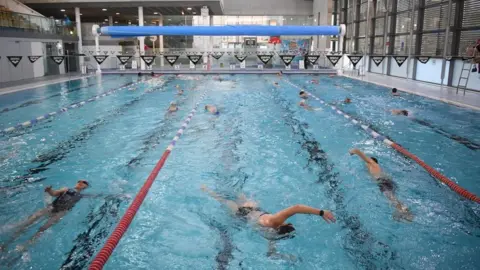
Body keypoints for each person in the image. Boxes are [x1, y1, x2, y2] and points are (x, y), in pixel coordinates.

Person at [201, 185, 335, 259]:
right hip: (245, 216)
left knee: (226, 197)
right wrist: (288, 257)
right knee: (225, 200)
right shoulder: (272, 234)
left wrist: (322, 212)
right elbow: (270, 254)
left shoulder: (274, 223)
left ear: (285, 225)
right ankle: (207, 190)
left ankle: (205, 189)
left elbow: (296, 208)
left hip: (247, 212)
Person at [1, 180, 90, 252]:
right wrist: (49, 190)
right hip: (51, 208)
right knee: (28, 223)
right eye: (80, 181)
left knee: (42, 230)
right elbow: (55, 193)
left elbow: (95, 196)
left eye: (84, 183)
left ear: (85, 187)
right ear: (77, 183)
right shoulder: (66, 189)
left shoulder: (82, 196)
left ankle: (26, 245)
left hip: (59, 214)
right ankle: (6, 244)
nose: (81, 183)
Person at [349, 149, 414, 222]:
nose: (366, 164)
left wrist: (354, 151)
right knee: (391, 198)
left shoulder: (372, 163)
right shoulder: (375, 168)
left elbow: (359, 152)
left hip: (383, 182)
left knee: (391, 198)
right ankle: (402, 210)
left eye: (366, 162)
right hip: (385, 182)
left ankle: (405, 212)